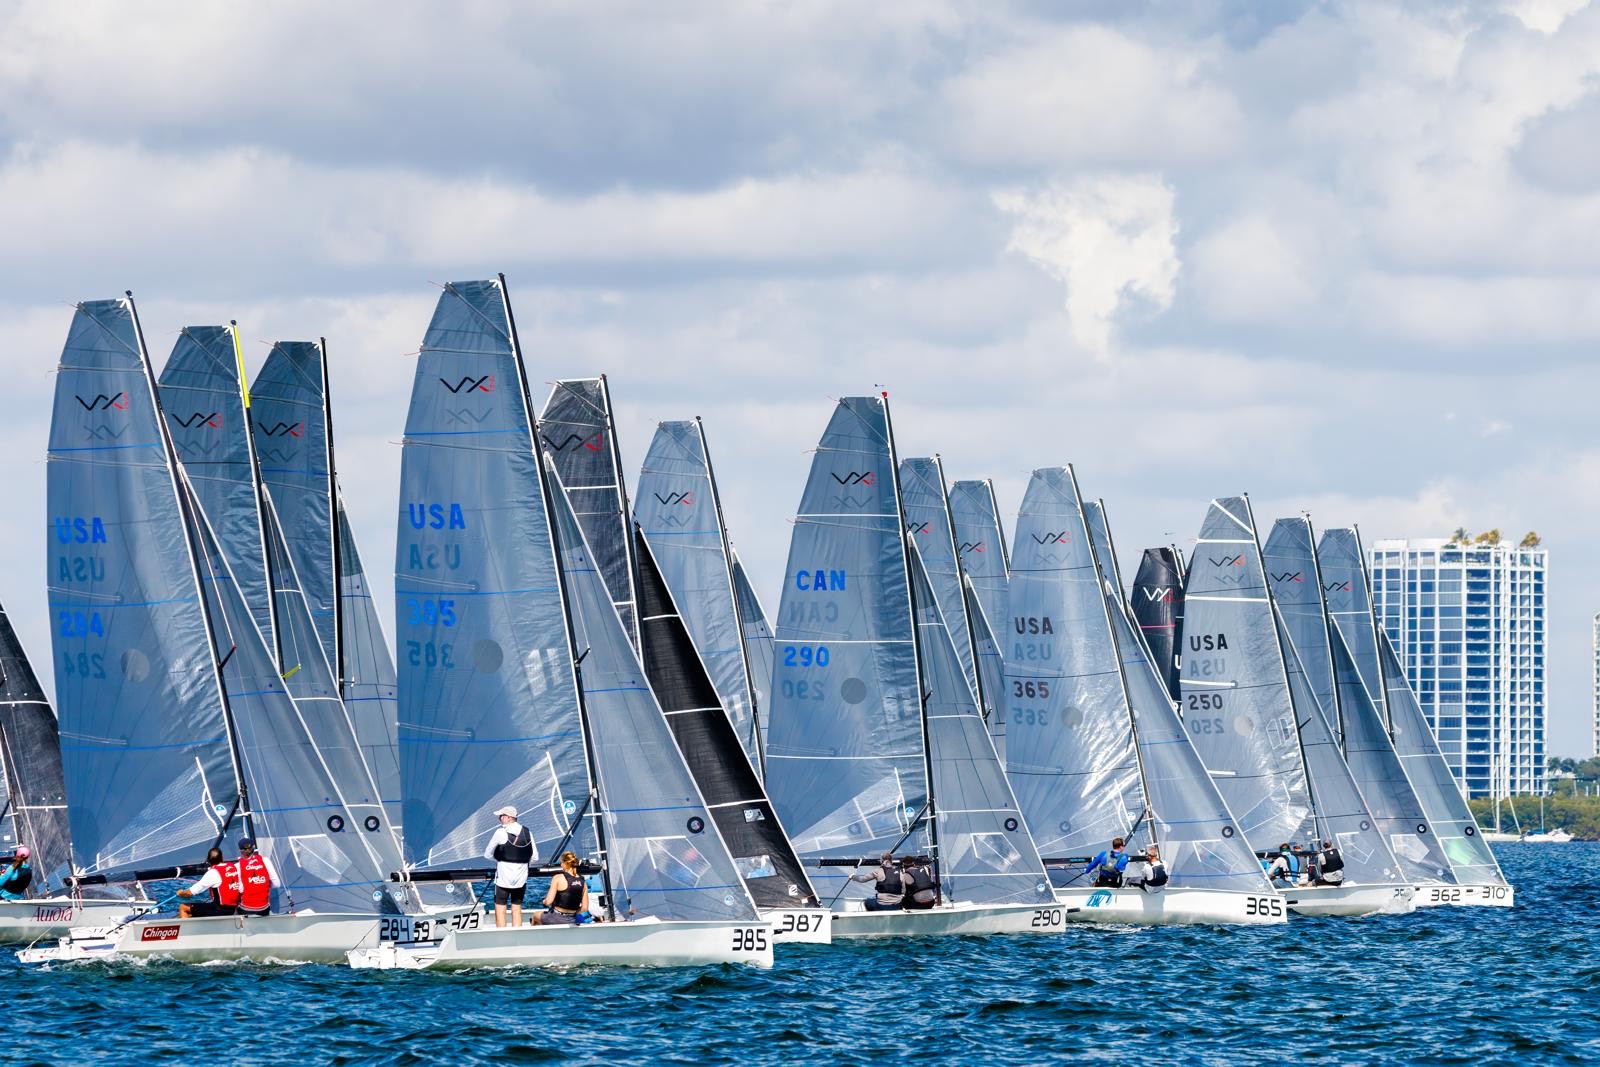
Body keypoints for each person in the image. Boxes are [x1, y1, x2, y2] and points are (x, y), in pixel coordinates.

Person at [484, 805, 533, 928]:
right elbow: (535, 856)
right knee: (516, 909)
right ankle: (517, 936)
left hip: (503, 878)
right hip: (521, 878)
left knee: (500, 909)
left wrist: (500, 860)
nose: (499, 819)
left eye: (501, 816)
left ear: (509, 818)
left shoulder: (500, 832)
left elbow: (487, 854)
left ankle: (502, 937)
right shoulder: (527, 832)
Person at [176, 847, 240, 918]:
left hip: (221, 910)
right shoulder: (234, 866)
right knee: (194, 912)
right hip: (235, 907)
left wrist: (181, 893)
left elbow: (189, 894)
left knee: (183, 907)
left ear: (209, 861)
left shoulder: (212, 873)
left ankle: (186, 925)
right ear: (222, 857)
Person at [532, 851, 588, 925]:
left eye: (561, 863)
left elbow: (548, 902)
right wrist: (573, 913)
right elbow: (584, 908)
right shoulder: (583, 882)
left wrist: (544, 901)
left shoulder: (558, 878)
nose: (561, 865)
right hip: (572, 919)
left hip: (556, 917)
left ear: (565, 863)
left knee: (535, 915)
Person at [235, 837, 274, 917]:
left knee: (235, 906)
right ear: (253, 848)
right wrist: (262, 884)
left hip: (246, 909)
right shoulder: (265, 860)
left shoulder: (237, 866)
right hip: (264, 909)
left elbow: (240, 889)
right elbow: (277, 884)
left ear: (240, 851)